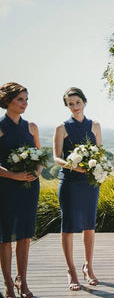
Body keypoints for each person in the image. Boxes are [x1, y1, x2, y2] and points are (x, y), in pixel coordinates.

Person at [53, 87, 102, 291]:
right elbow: (56, 158)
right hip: (70, 183)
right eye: (70, 104)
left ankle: (88, 267)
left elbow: (99, 152)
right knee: (69, 227)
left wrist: (94, 167)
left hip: (90, 183)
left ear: (84, 102)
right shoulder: (61, 128)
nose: (74, 107)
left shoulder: (95, 125)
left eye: (77, 103)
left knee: (89, 226)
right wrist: (75, 166)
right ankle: (71, 270)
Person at [0, 82, 41, 298]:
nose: (25, 103)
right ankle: (7, 283)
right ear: (8, 101)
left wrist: (38, 171)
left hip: (29, 187)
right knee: (6, 236)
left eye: (26, 99)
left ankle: (22, 281)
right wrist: (12, 175)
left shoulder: (31, 127)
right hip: (5, 188)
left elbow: (40, 157)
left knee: (25, 235)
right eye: (20, 99)